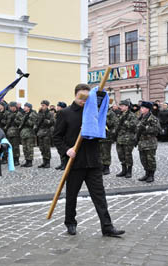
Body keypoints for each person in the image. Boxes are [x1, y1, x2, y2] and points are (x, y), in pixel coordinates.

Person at [53, 83, 125, 237]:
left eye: (87, 97)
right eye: (82, 97)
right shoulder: (65, 113)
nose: (84, 100)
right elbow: (57, 137)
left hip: (93, 161)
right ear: (75, 95)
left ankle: (107, 227)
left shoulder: (93, 113)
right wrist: (67, 150)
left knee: (100, 196)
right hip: (74, 162)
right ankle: (70, 223)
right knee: (71, 195)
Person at [136, 101, 161, 183]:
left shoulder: (153, 118)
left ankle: (151, 175)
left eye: (143, 108)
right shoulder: (140, 118)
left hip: (150, 142)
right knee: (143, 160)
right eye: (141, 107)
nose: (141, 109)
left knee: (150, 160)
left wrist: (145, 128)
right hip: (142, 143)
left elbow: (157, 130)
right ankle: (146, 174)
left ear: (148, 109)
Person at [115, 100, 138, 178]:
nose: (120, 107)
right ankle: (123, 170)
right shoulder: (120, 114)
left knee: (128, 155)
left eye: (122, 106)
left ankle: (129, 171)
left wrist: (124, 122)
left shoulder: (132, 115)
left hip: (128, 139)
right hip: (120, 138)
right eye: (120, 106)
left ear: (127, 106)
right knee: (121, 155)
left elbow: (134, 126)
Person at [15, 102, 38, 167]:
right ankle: (26, 160)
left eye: (26, 106)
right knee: (24, 148)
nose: (24, 107)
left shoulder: (32, 114)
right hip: (23, 133)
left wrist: (26, 120)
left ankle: (30, 161)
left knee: (29, 147)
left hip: (29, 133)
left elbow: (32, 123)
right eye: (24, 106)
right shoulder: (25, 114)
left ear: (29, 107)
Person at [35, 100, 55, 168]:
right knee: (41, 148)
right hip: (40, 132)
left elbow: (53, 122)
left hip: (46, 132)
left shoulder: (50, 113)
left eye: (43, 105)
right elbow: (37, 121)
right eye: (41, 105)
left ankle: (48, 162)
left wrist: (46, 121)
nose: (42, 107)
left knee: (46, 148)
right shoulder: (40, 113)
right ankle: (44, 162)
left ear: (47, 106)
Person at [99, 106, 118, 175]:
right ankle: (100, 167)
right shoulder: (97, 111)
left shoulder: (110, 113)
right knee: (99, 153)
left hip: (107, 136)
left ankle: (106, 167)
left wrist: (111, 133)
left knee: (106, 153)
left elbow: (115, 124)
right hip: (98, 136)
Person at [3, 102, 21, 166]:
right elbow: (5, 121)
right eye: (10, 107)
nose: (10, 108)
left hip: (15, 132)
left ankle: (16, 160)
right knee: (8, 146)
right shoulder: (8, 114)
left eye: (11, 106)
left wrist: (15, 120)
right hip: (8, 132)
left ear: (14, 107)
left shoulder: (18, 114)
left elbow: (21, 123)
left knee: (15, 147)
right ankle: (9, 159)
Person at [55, 101, 68, 170]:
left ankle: (65, 164)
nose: (57, 108)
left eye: (58, 107)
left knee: (64, 150)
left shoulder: (64, 114)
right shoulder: (58, 114)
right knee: (60, 150)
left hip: (64, 135)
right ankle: (62, 163)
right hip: (59, 134)